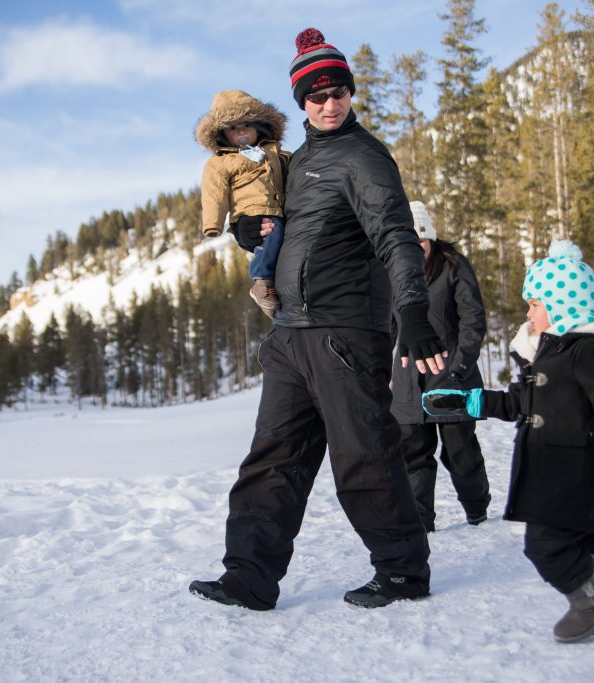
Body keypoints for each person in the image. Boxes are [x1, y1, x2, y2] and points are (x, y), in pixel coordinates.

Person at [189, 27, 447, 611]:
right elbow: (282, 230)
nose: (329, 104)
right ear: (300, 102)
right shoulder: (298, 159)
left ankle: (403, 571)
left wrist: (413, 306)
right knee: (272, 457)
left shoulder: (363, 156)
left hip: (345, 330)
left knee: (364, 454)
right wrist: (245, 232)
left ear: (351, 94)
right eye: (316, 95)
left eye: (338, 92)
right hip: (291, 334)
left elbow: (395, 235)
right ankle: (249, 577)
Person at [423, 240, 594, 643]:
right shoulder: (546, 354)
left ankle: (591, 604)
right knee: (586, 540)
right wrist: (468, 401)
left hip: (571, 469)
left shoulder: (585, 351)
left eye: (535, 305)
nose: (528, 313)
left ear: (561, 305)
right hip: (552, 465)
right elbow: (520, 402)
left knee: (545, 544)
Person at [390, 201, 490, 531]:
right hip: (407, 380)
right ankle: (421, 522)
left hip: (451, 376)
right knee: (413, 454)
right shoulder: (392, 272)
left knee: (460, 452)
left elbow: (472, 319)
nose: (414, 250)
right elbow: (386, 327)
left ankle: (476, 509)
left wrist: (460, 368)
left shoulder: (453, 266)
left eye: (419, 242)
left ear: (430, 239)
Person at [196, 89, 289, 318]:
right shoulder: (222, 162)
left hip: (278, 208)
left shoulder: (275, 154)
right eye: (232, 127)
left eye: (247, 123)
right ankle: (262, 279)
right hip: (251, 212)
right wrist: (213, 224)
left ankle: (275, 283)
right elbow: (214, 192)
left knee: (280, 242)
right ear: (222, 134)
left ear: (260, 126)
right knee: (271, 237)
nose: (241, 131)